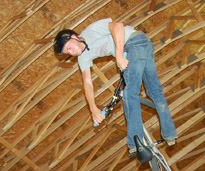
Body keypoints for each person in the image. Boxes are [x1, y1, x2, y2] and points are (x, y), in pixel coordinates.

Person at [54, 18, 177, 155]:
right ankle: (169, 134)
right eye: (67, 52)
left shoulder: (91, 31)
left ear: (74, 37)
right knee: (154, 92)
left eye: (69, 47)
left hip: (133, 44)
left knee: (130, 94)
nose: (71, 52)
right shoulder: (82, 57)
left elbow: (118, 26)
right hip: (143, 46)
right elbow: (87, 83)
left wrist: (118, 56)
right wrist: (93, 108)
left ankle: (136, 143)